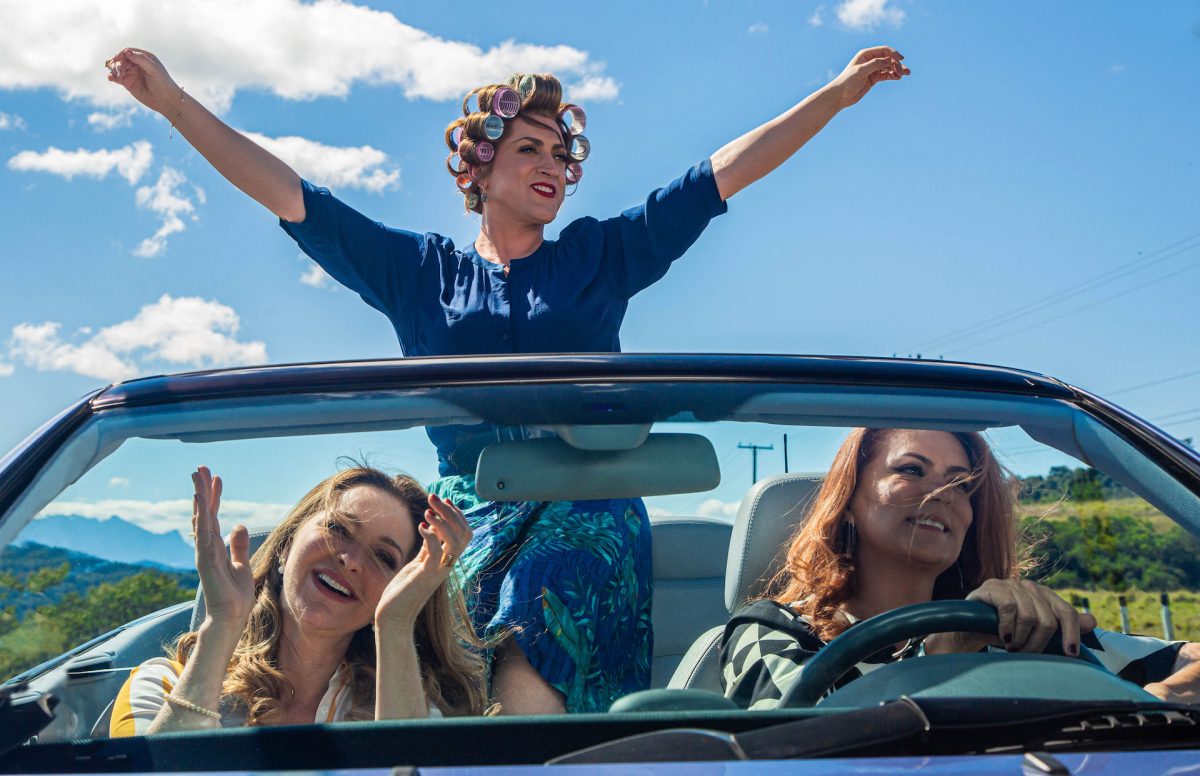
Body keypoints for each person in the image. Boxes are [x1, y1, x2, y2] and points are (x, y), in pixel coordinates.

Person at [106, 46, 910, 714]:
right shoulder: (418, 272)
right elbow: (292, 197)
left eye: (561, 154)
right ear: (480, 167)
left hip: (590, 507)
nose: (552, 165)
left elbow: (717, 179)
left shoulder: (601, 255)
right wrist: (172, 101)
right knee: (443, 657)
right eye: (530, 149)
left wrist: (835, 95)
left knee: (535, 609)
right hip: (467, 512)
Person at [721, 428, 1200, 709]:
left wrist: (1158, 701)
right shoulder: (772, 630)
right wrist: (944, 658)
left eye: (961, 484)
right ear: (847, 502)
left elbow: (1191, 659)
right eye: (911, 470)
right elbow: (786, 747)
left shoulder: (1007, 626)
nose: (943, 494)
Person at [109, 465, 482, 736]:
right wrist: (223, 623)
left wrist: (396, 625)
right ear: (286, 547)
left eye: (383, 557)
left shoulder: (408, 710)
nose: (351, 560)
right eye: (338, 528)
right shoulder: (161, 684)